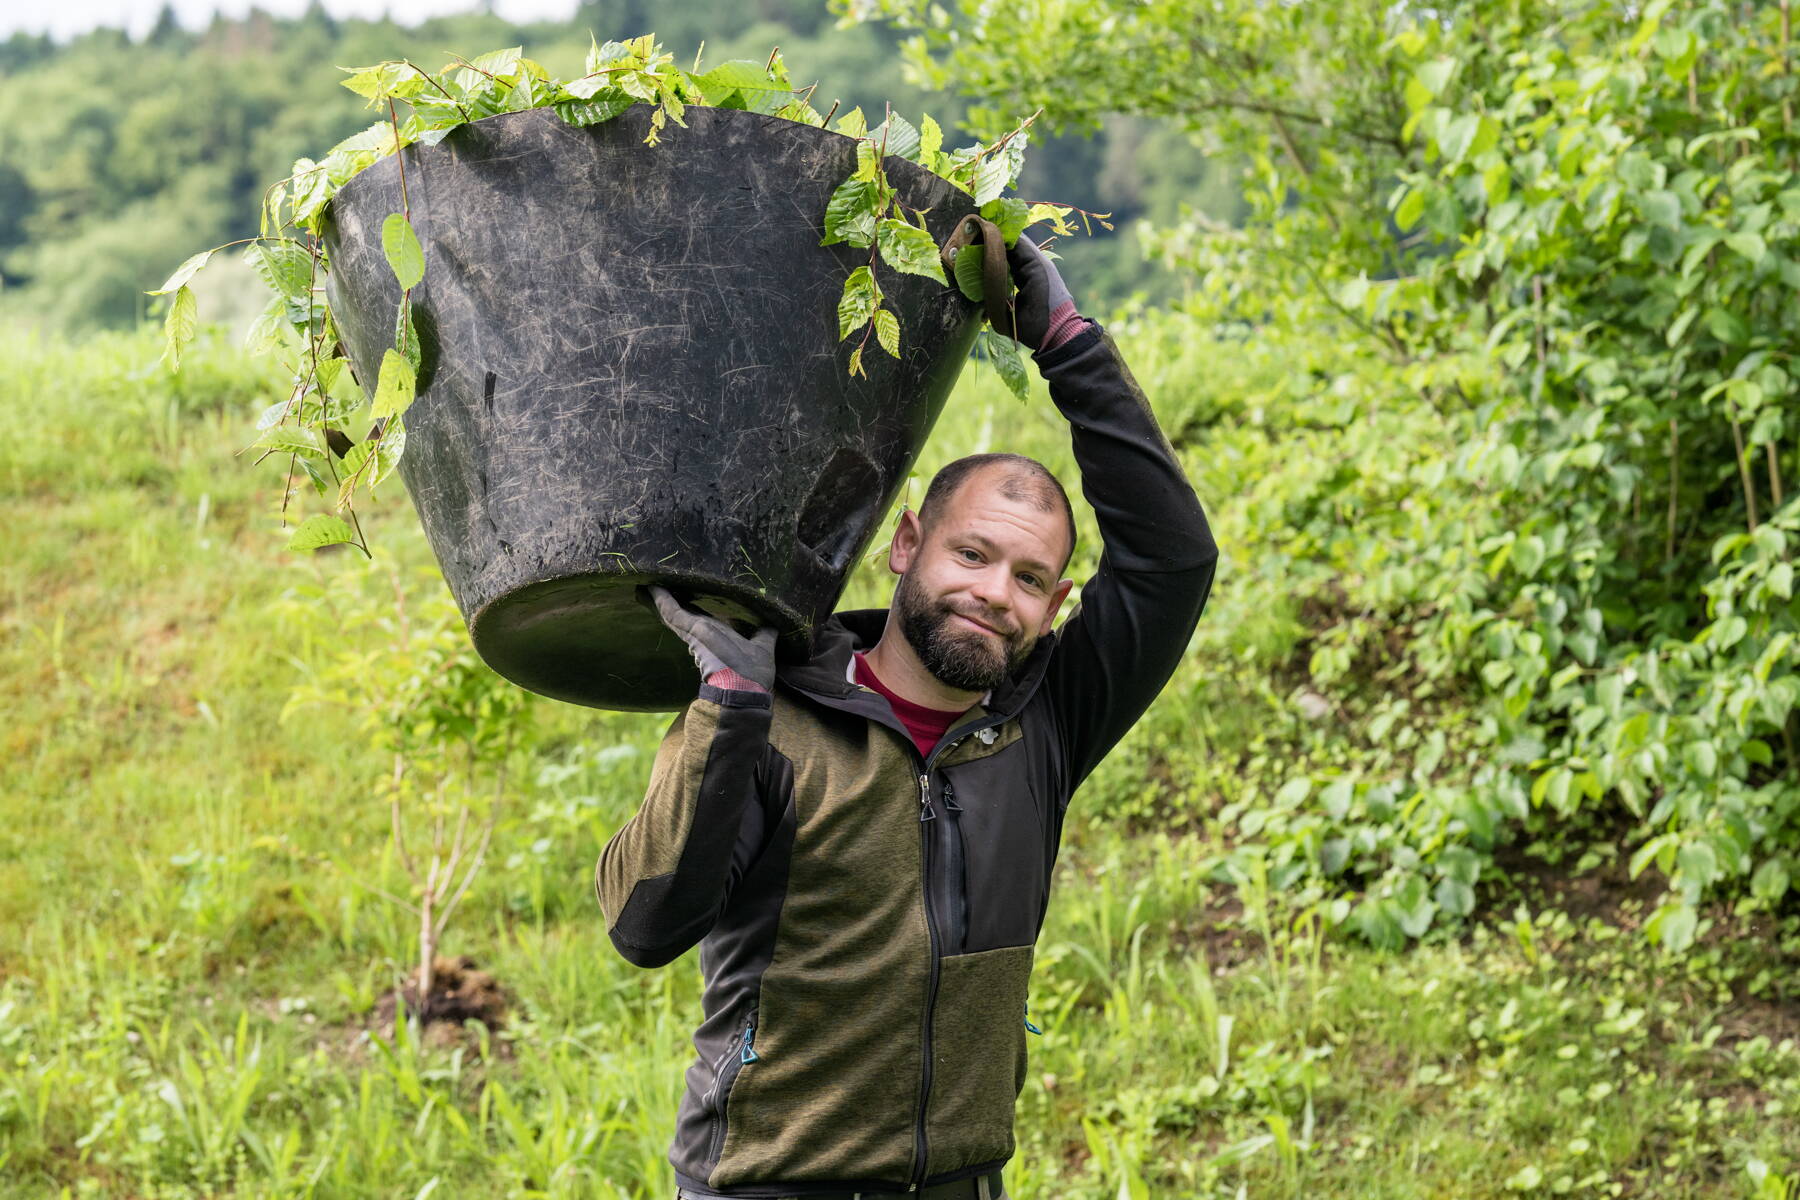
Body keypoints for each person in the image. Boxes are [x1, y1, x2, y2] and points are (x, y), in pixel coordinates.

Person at [594, 232, 1219, 1200]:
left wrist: (1063, 339)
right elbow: (645, 922)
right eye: (972, 555)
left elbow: (1173, 562)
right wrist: (727, 707)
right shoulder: (774, 714)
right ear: (908, 546)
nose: (994, 593)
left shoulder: (1046, 725)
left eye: (1029, 578)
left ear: (1055, 608)